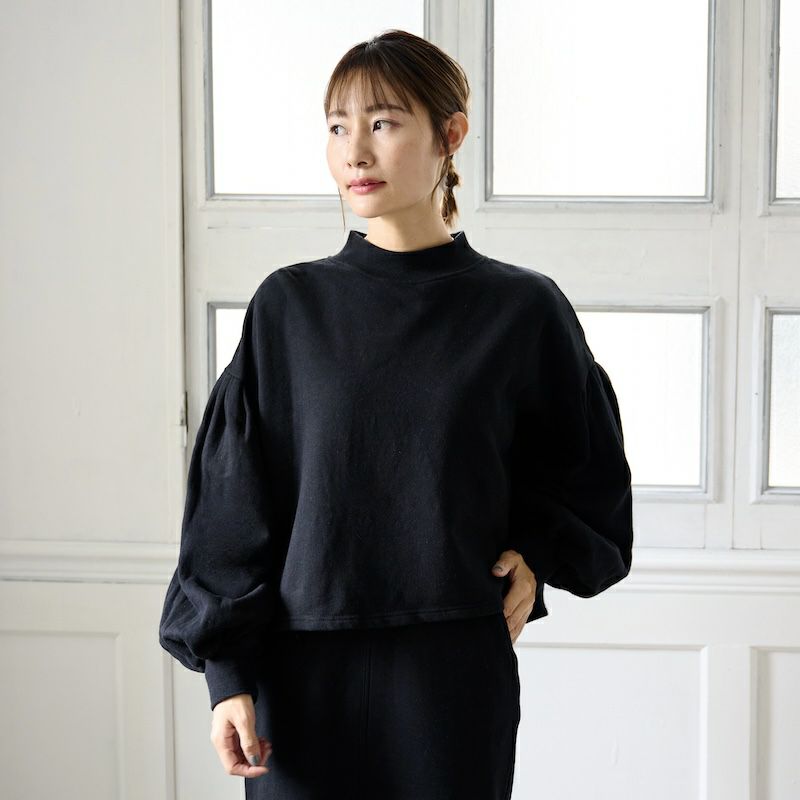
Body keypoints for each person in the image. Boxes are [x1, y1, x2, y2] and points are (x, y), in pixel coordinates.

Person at [159, 29, 634, 800]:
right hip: (299, 680)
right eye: (337, 127)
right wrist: (228, 679)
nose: (355, 152)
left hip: (452, 679)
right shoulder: (289, 307)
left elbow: (585, 476)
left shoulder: (522, 310)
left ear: (451, 134)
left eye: (382, 123)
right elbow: (233, 503)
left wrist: (536, 554)